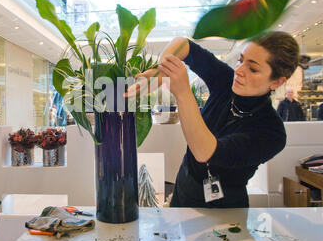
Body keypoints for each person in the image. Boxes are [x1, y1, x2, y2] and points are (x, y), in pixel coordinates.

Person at [126, 31, 300, 208]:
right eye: (241, 60)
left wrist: (183, 92)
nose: (239, 71)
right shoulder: (226, 81)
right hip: (185, 185)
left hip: (225, 207)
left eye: (253, 69)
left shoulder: (272, 132)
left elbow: (205, 151)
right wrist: (159, 71)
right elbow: (184, 45)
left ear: (277, 82)